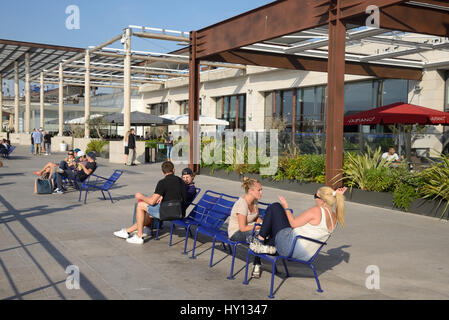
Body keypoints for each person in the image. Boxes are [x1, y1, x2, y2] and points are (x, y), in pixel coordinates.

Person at [249, 187, 347, 264]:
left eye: (315, 196)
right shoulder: (335, 218)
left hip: (289, 248)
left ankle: (260, 242)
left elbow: (293, 224)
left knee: (275, 207)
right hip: (304, 255)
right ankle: (265, 245)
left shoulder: (317, 211)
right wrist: (334, 195)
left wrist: (286, 206)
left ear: (323, 200)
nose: (315, 199)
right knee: (272, 226)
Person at [113, 161, 187, 244]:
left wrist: (141, 196)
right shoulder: (181, 181)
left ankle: (139, 236)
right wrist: (162, 197)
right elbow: (177, 195)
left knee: (140, 205)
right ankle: (130, 231)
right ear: (173, 170)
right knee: (149, 212)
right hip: (180, 212)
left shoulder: (162, 182)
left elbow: (152, 201)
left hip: (167, 213)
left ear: (162, 172)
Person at [227, 177, 264, 279]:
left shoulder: (255, 202)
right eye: (259, 190)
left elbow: (256, 218)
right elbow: (242, 228)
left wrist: (264, 225)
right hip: (236, 232)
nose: (261, 192)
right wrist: (257, 227)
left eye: (261, 190)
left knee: (261, 234)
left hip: (250, 230)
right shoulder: (242, 203)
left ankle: (259, 259)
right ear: (250, 191)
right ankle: (257, 264)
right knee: (257, 237)